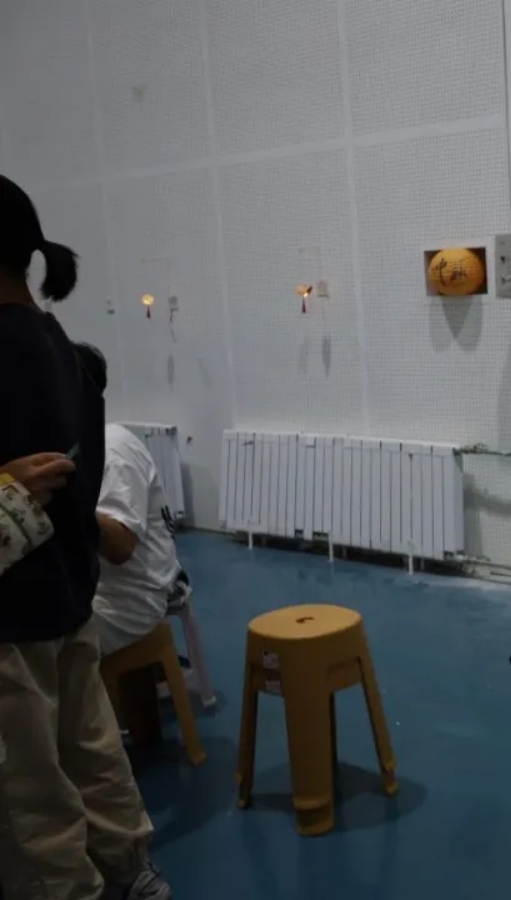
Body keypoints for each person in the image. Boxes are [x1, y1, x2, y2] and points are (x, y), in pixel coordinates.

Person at [0, 174, 172, 900]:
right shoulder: (70, 355)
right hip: (70, 596)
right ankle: (131, 871)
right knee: (92, 752)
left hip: (12, 617)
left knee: (29, 794)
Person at [93, 422, 184, 658]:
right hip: (92, 586)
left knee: (28, 647)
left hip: (126, 598)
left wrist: (67, 503)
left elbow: (120, 547)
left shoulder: (111, 449)